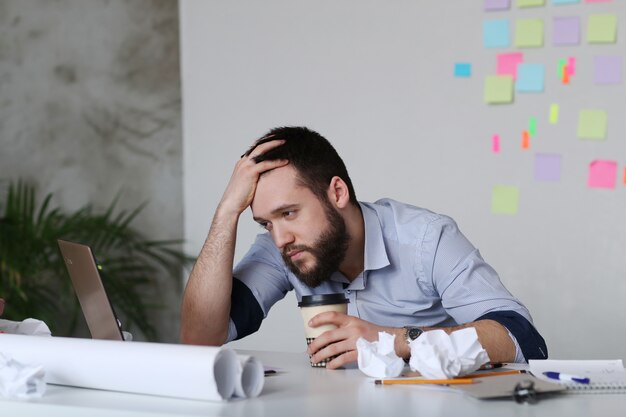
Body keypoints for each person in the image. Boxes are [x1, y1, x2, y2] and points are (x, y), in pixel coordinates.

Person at [181, 126, 547, 369]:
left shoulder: (424, 239)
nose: (280, 238)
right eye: (266, 223)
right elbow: (201, 337)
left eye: (289, 213)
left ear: (336, 192)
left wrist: (392, 340)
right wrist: (226, 213)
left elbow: (523, 340)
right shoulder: (282, 249)